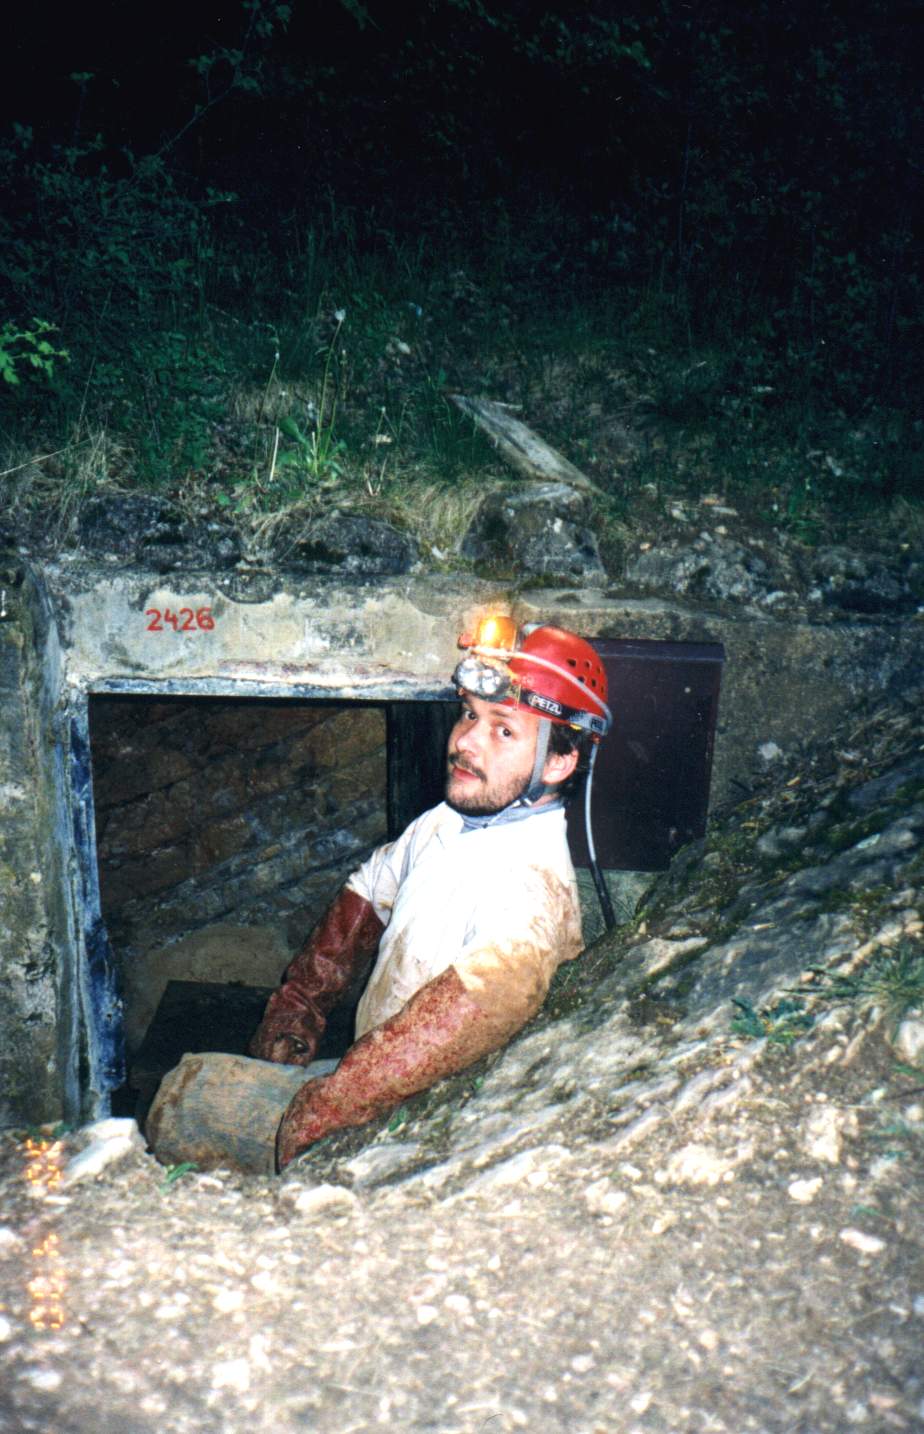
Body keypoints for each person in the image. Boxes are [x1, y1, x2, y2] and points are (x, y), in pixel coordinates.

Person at [250, 617, 612, 1170]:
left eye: (503, 731)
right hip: (367, 1079)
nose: (465, 741)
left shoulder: (532, 890)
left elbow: (486, 998)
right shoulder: (447, 821)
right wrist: (300, 1005)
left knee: (185, 1105)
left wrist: (333, 1101)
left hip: (429, 1122)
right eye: (469, 714)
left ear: (559, 762)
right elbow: (370, 891)